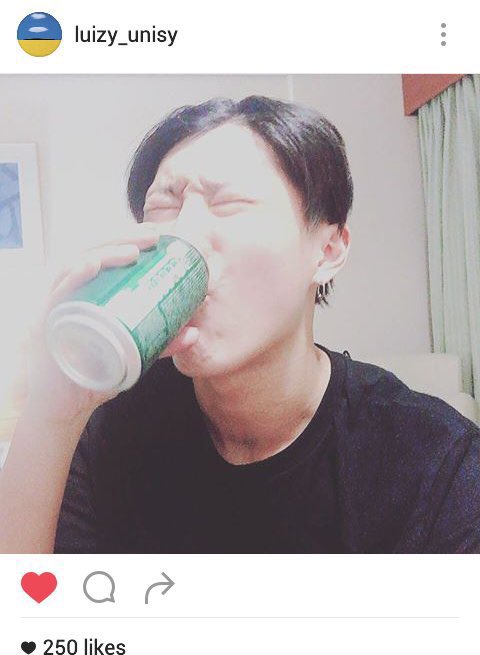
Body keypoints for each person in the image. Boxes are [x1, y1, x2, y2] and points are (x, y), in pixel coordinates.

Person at [1, 95, 479, 554]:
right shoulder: (109, 427)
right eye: (162, 208)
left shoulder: (434, 460)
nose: (182, 232)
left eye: (228, 203)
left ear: (328, 250)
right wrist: (52, 411)